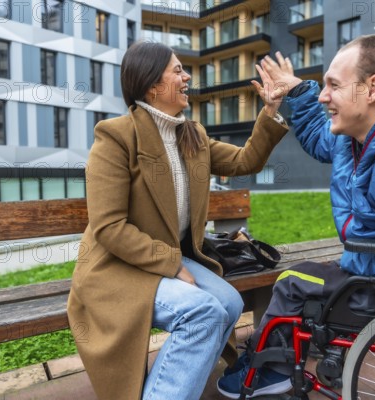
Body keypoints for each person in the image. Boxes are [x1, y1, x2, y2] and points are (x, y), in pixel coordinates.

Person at [217, 34, 375, 398]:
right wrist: (297, 93)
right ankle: (273, 359)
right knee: (307, 274)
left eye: (333, 86)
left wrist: (355, 261)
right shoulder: (368, 133)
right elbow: (323, 139)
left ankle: (269, 373)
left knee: (292, 280)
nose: (325, 96)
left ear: (373, 88)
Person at [66, 41, 289, 400]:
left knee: (229, 303)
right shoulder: (116, 137)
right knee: (203, 313)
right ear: (152, 85)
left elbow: (245, 161)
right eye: (176, 70)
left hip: (164, 260)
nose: (186, 76)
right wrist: (171, 264)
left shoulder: (191, 136)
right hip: (117, 267)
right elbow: (109, 227)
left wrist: (271, 110)